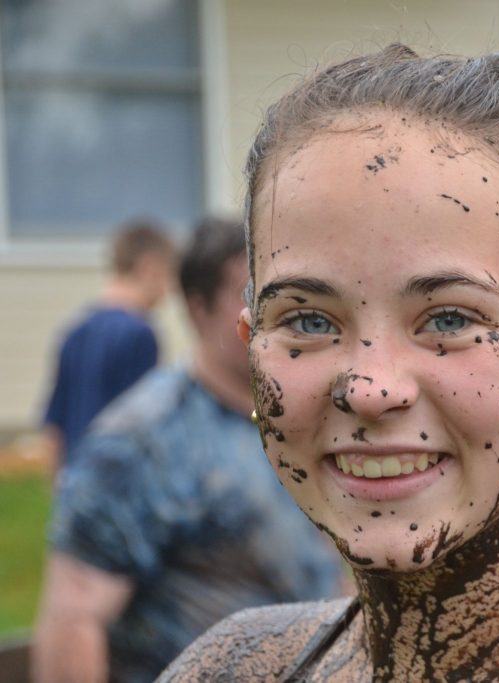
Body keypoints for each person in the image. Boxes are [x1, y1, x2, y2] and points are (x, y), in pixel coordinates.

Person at [160, 45, 499, 681]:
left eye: (450, 320)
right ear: (251, 345)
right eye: (310, 320)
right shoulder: (233, 666)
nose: (370, 390)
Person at [32, 218, 343, 683]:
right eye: (250, 297)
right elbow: (73, 619)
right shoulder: (141, 442)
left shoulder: (302, 419)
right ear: (197, 309)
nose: (273, 315)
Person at [41, 220, 176, 470]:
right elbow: (142, 424)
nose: (169, 291)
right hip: (116, 486)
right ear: (149, 267)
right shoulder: (140, 334)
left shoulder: (74, 332)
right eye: (169, 276)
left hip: (78, 484)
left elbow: (54, 429)